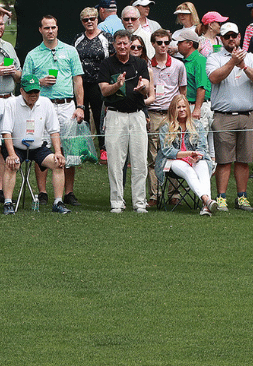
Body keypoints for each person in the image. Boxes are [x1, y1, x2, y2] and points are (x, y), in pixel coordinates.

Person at [22, 15, 84, 207]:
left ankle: (69, 191)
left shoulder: (70, 51)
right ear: (40, 30)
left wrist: (80, 106)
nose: (50, 31)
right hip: (42, 103)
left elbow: (78, 80)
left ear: (57, 29)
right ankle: (43, 192)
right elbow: (24, 82)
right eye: (46, 28)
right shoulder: (33, 55)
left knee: (68, 148)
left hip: (66, 104)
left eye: (53, 27)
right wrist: (39, 82)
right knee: (42, 147)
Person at [206, 21, 253, 210]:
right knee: (223, 160)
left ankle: (242, 197)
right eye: (227, 36)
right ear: (221, 39)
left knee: (244, 159)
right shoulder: (214, 57)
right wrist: (232, 62)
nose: (231, 39)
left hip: (247, 115)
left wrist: (244, 66)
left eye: (234, 36)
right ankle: (221, 197)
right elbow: (214, 78)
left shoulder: (252, 58)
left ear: (239, 37)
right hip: (223, 116)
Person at [98, 28, 153, 213]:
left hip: (137, 115)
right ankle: (117, 202)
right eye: (119, 43)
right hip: (114, 115)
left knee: (139, 161)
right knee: (115, 162)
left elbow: (147, 89)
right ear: (114, 45)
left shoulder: (140, 63)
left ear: (131, 44)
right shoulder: (107, 64)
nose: (122, 47)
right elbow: (104, 91)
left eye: (125, 43)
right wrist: (117, 85)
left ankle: (139, 202)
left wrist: (142, 88)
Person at [0, 75, 68, 214]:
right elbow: (6, 132)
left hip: (38, 147)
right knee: (12, 164)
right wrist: (11, 154)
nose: (33, 95)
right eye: (30, 92)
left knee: (58, 163)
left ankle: (58, 202)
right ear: (22, 91)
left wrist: (58, 152)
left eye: (36, 92)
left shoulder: (46, 103)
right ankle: (7, 203)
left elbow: (54, 130)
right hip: (16, 147)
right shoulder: (11, 103)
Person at [156, 94, 214, 214]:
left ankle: (206, 206)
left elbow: (202, 148)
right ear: (173, 109)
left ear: (188, 108)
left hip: (193, 159)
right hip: (172, 161)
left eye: (184, 107)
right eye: (178, 107)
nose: (182, 109)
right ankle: (206, 199)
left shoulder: (197, 125)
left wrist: (197, 156)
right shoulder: (165, 126)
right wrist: (189, 153)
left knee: (203, 165)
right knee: (188, 170)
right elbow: (167, 151)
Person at [146, 28, 184, 206]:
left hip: (171, 115)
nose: (163, 46)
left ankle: (174, 193)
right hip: (153, 112)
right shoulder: (147, 65)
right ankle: (155, 194)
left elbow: (182, 91)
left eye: (166, 43)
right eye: (159, 42)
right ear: (153, 44)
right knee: (153, 155)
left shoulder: (178, 65)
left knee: (173, 153)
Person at [74, 7, 111, 163]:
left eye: (92, 18)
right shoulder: (78, 38)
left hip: (99, 83)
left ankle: (103, 148)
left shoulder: (106, 37)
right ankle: (85, 149)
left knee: (100, 116)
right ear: (82, 22)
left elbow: (112, 60)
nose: (89, 22)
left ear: (97, 19)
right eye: (85, 19)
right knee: (83, 117)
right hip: (81, 83)